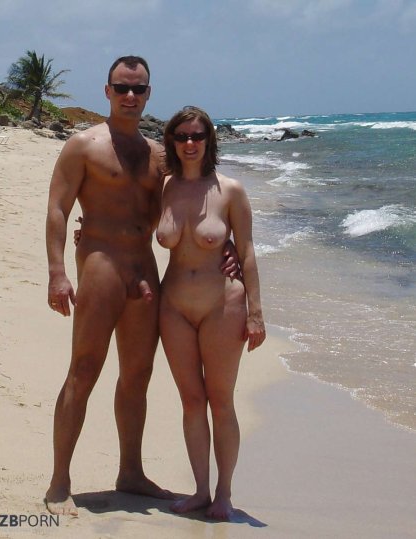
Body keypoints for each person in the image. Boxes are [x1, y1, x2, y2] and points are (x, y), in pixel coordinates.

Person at [45, 56, 238, 516]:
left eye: (138, 89)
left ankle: (130, 471)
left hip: (145, 269)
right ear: (107, 91)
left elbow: (194, 197)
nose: (130, 96)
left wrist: (226, 243)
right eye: (121, 87)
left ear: (149, 94)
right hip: (100, 264)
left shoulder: (158, 155)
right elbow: (57, 208)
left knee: (138, 375)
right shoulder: (83, 145)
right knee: (84, 369)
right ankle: (59, 482)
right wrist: (57, 272)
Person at [157, 106, 266, 520]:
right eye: (182, 136)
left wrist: (255, 313)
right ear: (171, 140)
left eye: (197, 136)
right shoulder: (162, 187)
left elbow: (247, 251)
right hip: (173, 307)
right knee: (191, 400)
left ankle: (224, 494)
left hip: (223, 305)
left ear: (209, 141)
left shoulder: (230, 190)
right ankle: (200, 490)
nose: (190, 143)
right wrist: (91, 231)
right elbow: (131, 224)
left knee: (220, 401)